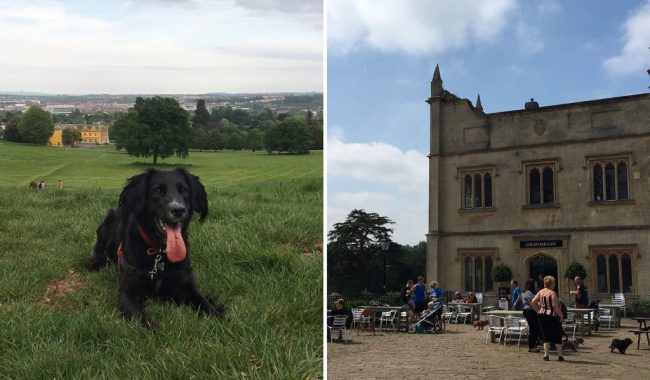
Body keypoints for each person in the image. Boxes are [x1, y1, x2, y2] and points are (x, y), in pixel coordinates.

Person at [531, 275, 565, 361]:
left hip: (542, 315)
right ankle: (560, 356)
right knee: (557, 335)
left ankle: (546, 355)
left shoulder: (541, 292)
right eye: (554, 283)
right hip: (552, 316)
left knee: (545, 335)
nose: (555, 285)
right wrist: (561, 316)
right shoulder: (552, 293)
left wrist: (538, 310)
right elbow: (555, 306)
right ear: (551, 284)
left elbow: (533, 302)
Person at [521, 279, 542, 353]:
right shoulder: (528, 293)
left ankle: (534, 345)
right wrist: (538, 312)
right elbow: (532, 304)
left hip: (529, 311)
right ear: (530, 285)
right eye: (534, 284)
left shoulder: (526, 292)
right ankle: (531, 346)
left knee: (534, 328)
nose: (535, 285)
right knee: (533, 329)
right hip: (530, 311)